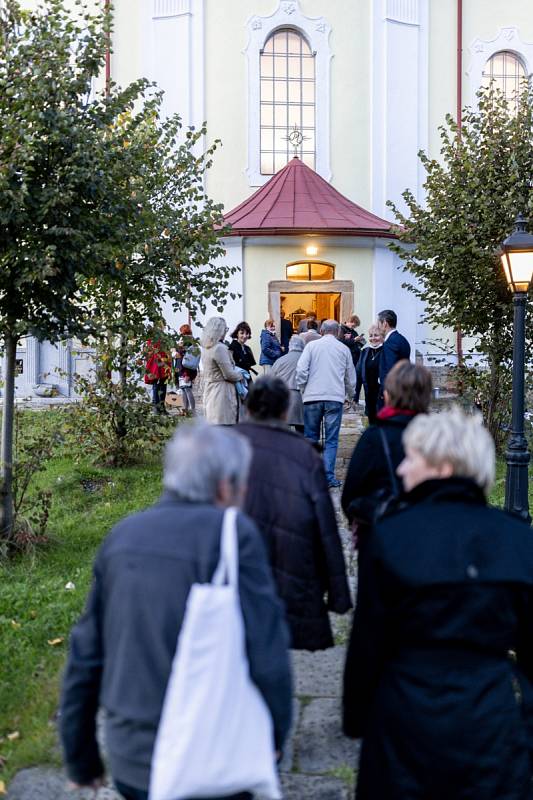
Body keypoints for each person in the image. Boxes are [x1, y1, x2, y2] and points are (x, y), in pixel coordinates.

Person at [60, 423, 292, 800]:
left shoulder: (122, 536)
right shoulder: (233, 535)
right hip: (212, 753)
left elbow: (86, 654)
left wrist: (80, 755)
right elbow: (266, 649)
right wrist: (276, 733)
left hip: (133, 753)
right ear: (224, 484)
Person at [343, 408, 533, 800]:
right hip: (490, 718)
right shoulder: (517, 540)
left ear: (443, 466)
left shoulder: (392, 536)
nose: (401, 470)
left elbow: (367, 645)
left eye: (412, 457)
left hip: (405, 719)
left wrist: (359, 719)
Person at [238, 375, 352, 650]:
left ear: (249, 408)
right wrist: (337, 593)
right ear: (285, 411)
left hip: (239, 569)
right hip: (293, 571)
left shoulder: (224, 445)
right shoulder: (304, 453)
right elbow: (325, 525)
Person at [342, 360, 431, 544]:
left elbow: (351, 492)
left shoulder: (375, 437)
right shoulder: (438, 436)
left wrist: (358, 522)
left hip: (381, 535)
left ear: (388, 395)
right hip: (426, 533)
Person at [295, 319, 356, 489]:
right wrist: (350, 395)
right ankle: (328, 476)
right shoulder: (343, 349)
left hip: (312, 398)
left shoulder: (311, 347)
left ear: (321, 331)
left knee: (310, 437)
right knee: (331, 440)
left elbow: (301, 371)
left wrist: (303, 389)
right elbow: (350, 376)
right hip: (334, 398)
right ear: (337, 332)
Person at [200, 316, 243, 424]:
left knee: (214, 425)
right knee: (223, 426)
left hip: (210, 389)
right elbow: (228, 374)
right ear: (220, 330)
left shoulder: (207, 347)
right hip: (221, 393)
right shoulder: (219, 348)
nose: (225, 332)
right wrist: (241, 375)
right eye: (225, 329)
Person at [376, 309, 411, 408]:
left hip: (392, 393)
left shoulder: (390, 342)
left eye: (379, 323)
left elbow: (390, 370)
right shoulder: (402, 339)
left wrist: (385, 393)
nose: (378, 327)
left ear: (385, 324)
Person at [271, 334, 305, 432]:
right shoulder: (306, 360)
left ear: (290, 346)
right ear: (303, 346)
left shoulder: (280, 360)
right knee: (302, 431)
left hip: (284, 399)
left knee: (284, 432)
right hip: (301, 398)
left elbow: (271, 379)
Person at [354, 325, 384, 424]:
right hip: (369, 393)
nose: (373, 338)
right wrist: (356, 396)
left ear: (382, 336)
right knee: (372, 422)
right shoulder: (365, 352)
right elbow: (358, 375)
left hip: (382, 394)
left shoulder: (386, 351)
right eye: (371, 336)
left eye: (376, 335)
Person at [144, 326, 172, 414]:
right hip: (155, 366)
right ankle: (156, 407)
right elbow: (149, 354)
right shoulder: (151, 341)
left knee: (163, 386)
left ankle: (161, 408)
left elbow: (167, 352)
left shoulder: (164, 339)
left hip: (163, 366)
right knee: (156, 386)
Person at [173, 323, 199, 414]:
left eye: (181, 332)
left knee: (187, 390)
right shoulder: (188, 342)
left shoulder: (188, 343)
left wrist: (187, 374)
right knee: (184, 389)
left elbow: (188, 359)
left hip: (186, 371)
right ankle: (186, 410)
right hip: (182, 370)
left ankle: (192, 410)